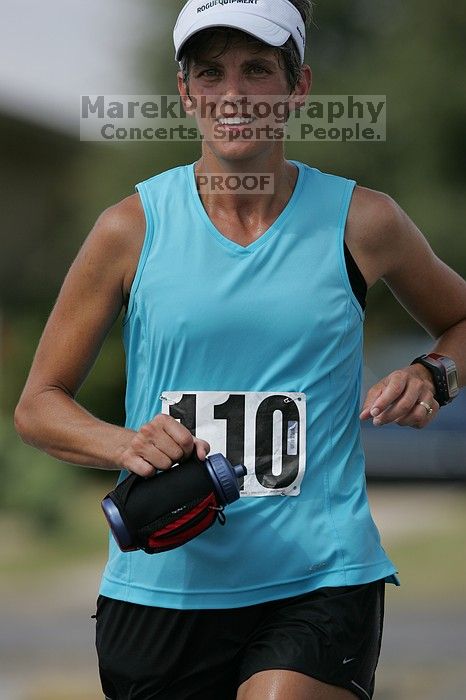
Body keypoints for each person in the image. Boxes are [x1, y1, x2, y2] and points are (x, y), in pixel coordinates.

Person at [15, 0, 466, 698]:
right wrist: (125, 446)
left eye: (257, 70)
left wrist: (437, 372)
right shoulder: (129, 229)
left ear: (299, 87)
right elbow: (37, 406)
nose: (233, 94)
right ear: (185, 92)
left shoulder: (363, 220)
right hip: (165, 581)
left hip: (319, 574)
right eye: (211, 72)